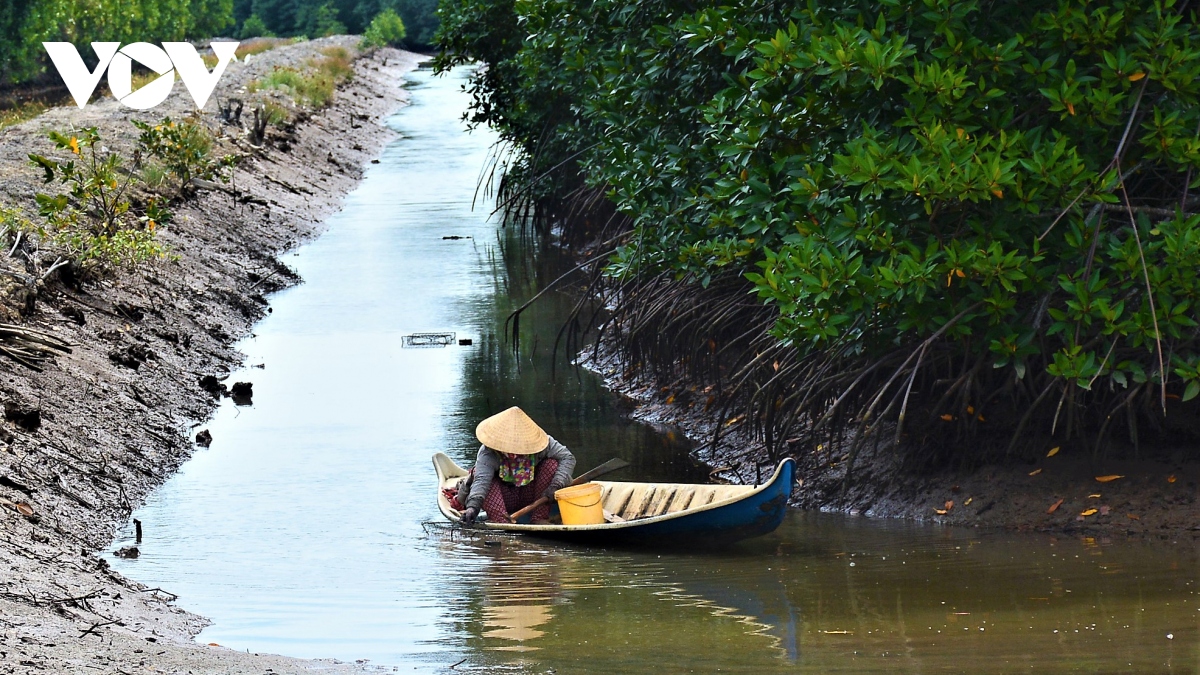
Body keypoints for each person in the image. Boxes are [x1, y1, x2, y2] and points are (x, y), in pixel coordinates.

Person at [454, 406, 576, 525]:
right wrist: (473, 507)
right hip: (503, 499)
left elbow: (568, 458)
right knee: (478, 476)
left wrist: (555, 485)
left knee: (551, 465)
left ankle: (539, 518)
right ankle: (501, 522)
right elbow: (482, 481)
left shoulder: (543, 443)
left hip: (534, 495)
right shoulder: (488, 452)